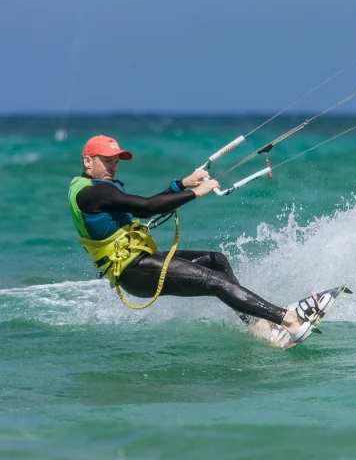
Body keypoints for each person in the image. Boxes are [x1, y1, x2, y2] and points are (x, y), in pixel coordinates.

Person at [68, 135, 321, 344]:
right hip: (135, 271)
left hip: (143, 262)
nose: (112, 167)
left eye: (115, 162)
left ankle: (257, 326)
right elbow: (146, 208)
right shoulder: (93, 192)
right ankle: (288, 319)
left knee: (217, 262)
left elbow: (146, 205)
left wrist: (181, 185)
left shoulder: (97, 188)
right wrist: (195, 193)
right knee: (215, 283)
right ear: (88, 162)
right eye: (107, 161)